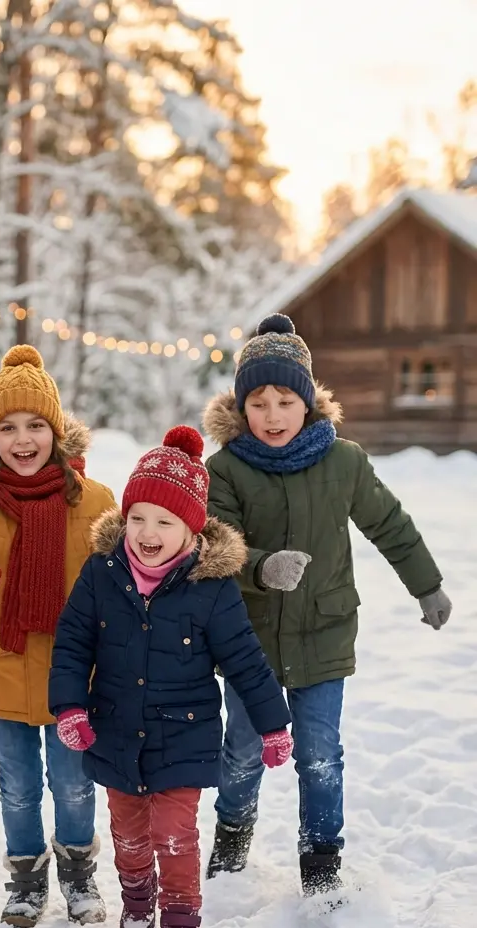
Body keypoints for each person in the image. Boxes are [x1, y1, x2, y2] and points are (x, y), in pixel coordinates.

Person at [202, 313, 452, 896]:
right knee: (241, 749)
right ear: (242, 409)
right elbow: (214, 542)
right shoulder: (226, 468)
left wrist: (426, 584)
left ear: (308, 402)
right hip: (250, 641)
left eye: (284, 400)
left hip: (325, 632)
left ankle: (321, 858)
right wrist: (261, 565)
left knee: (319, 755)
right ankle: (232, 838)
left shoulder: (345, 462)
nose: (271, 415)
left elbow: (389, 525)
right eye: (258, 403)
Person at [49, 425, 292, 928]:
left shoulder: (212, 588)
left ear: (191, 529)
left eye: (164, 521)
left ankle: (182, 925)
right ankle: (137, 896)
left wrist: (273, 725)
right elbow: (72, 644)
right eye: (137, 518)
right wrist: (68, 706)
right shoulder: (101, 574)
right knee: (128, 832)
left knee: (175, 832)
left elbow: (247, 662)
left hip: (184, 731)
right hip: (113, 728)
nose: (147, 531)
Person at [0, 345, 116, 928]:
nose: (23, 440)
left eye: (36, 425)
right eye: (9, 428)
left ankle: (77, 874)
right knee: (17, 784)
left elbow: (120, 584)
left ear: (57, 430)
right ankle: (25, 879)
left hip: (76, 672)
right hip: (4, 665)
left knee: (72, 783)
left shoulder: (94, 503)